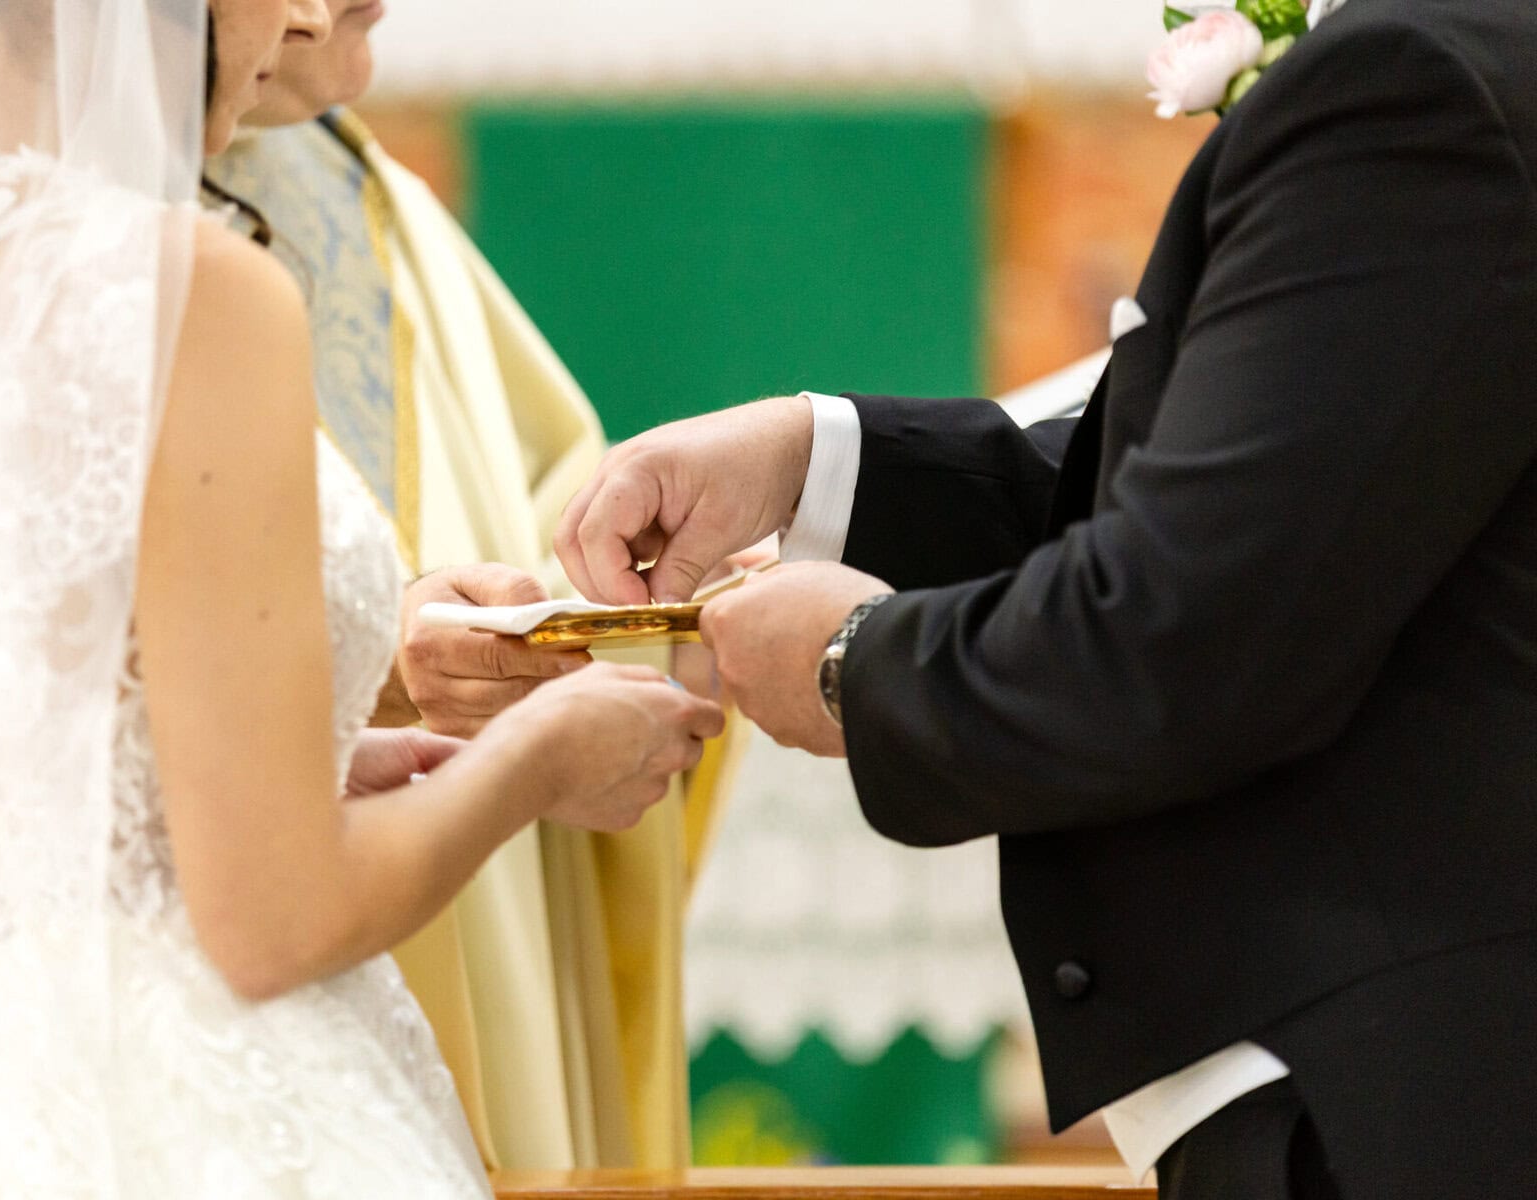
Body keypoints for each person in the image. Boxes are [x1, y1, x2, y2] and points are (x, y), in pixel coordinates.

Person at [0, 0, 721, 1194]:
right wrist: (532, 758)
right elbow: (272, 927)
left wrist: (232, 772)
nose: (310, 11)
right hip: (168, 1111)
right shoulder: (192, 294)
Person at [554, 0, 1537, 1195]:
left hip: (1411, 1100)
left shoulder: (1419, 81)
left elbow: (1191, 627)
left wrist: (856, 663)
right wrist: (814, 456)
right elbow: (1257, 479)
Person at [205, 6, 735, 1167]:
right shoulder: (191, 283)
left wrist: (658, 610)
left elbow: (539, 494)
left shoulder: (349, 181)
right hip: (258, 999)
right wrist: (511, 744)